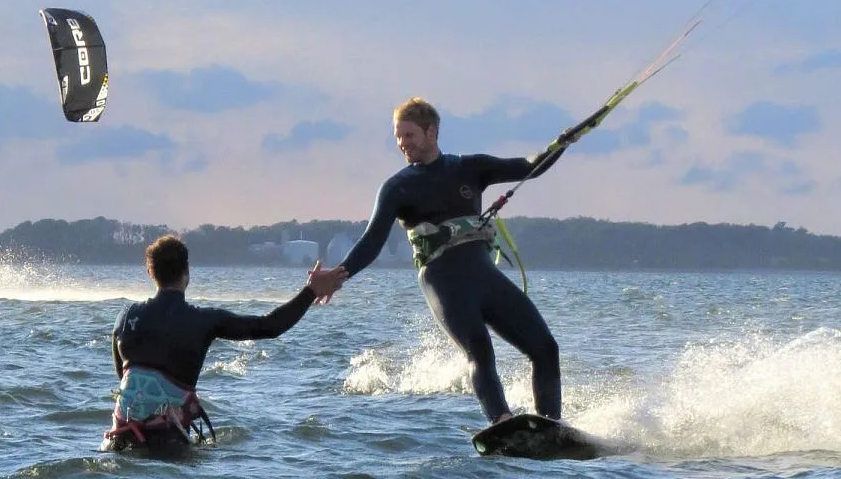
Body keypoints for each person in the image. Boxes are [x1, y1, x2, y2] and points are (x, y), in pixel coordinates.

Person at [336, 96, 570, 425]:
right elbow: (372, 241)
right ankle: (502, 421)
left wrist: (561, 144)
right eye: (398, 137)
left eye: (409, 135)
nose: (403, 144)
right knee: (480, 351)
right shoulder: (397, 188)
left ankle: (551, 428)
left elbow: (529, 166)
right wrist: (341, 273)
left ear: (431, 131)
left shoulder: (469, 168)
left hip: (483, 277)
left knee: (546, 348)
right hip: (443, 281)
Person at [103, 234, 347, 451]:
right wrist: (311, 291)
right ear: (187, 272)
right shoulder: (204, 320)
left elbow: (120, 375)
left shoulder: (125, 316)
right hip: (169, 445)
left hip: (121, 441)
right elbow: (270, 326)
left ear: (150, 272)